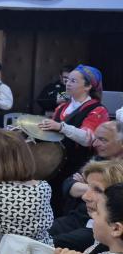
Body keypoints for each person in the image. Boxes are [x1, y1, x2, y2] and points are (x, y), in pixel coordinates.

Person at [38, 64, 109, 215]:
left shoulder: (98, 110)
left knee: (67, 206)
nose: (68, 84)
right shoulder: (62, 107)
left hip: (77, 166)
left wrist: (61, 127)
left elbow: (87, 138)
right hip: (55, 165)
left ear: (88, 86)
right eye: (68, 80)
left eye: (73, 81)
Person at [50, 121, 123, 249]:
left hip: (102, 224)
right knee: (40, 232)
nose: (95, 144)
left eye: (103, 140)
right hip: (78, 217)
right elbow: (68, 185)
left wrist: (86, 184)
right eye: (96, 139)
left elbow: (115, 197)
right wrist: (95, 188)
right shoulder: (98, 159)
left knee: (49, 242)